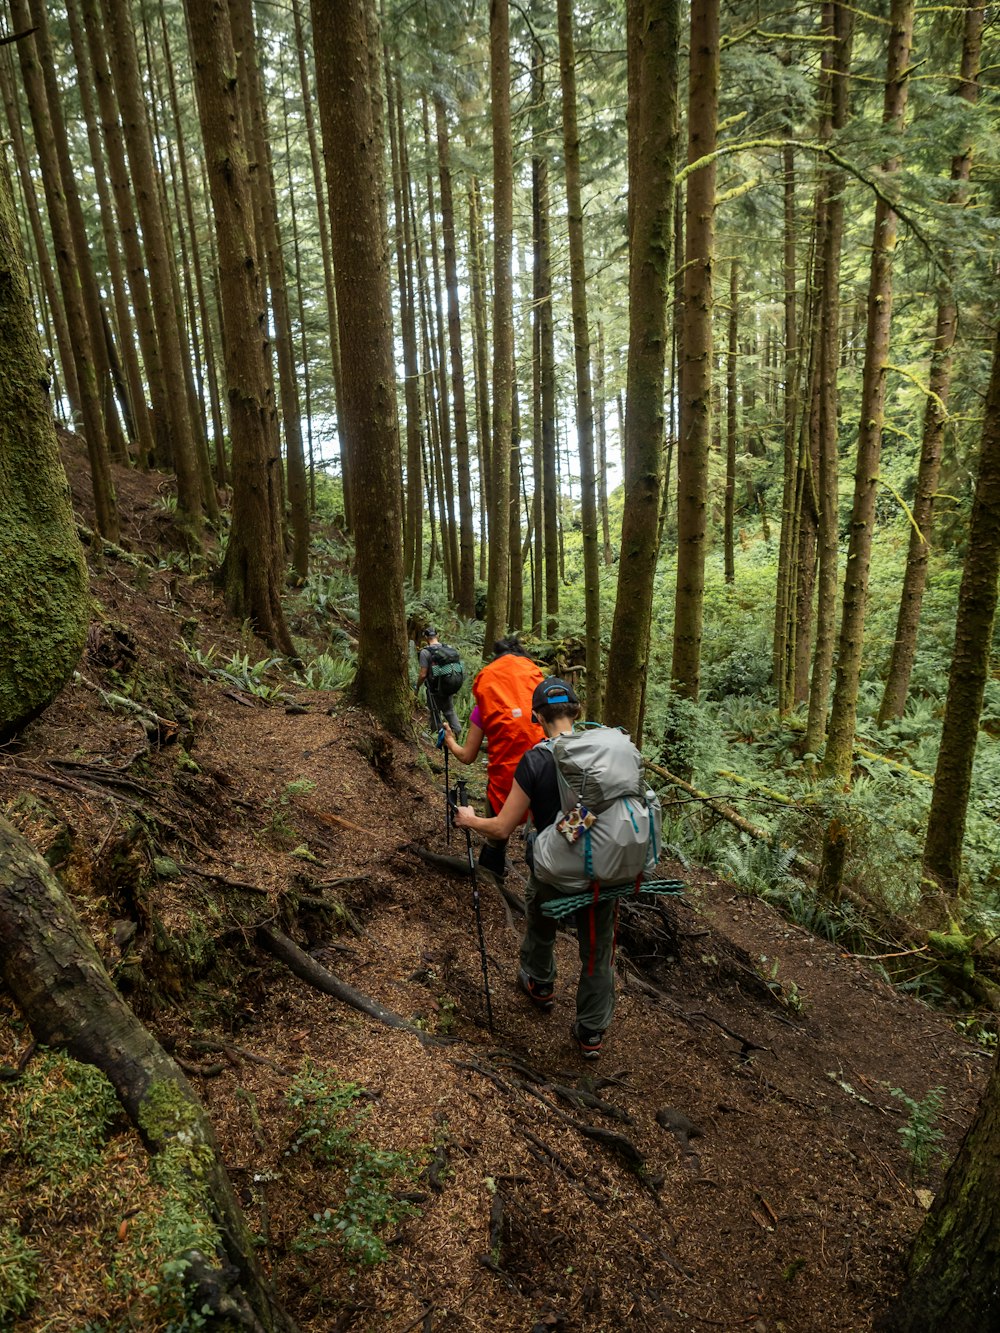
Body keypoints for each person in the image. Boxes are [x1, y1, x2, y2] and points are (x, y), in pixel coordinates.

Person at [453, 677, 615, 1060]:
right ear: (577, 712)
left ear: (537, 716)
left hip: (554, 873)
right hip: (603, 871)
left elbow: (503, 827)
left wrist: (471, 819)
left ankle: (540, 985)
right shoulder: (606, 752)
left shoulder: (536, 759)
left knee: (540, 922)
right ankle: (591, 1032)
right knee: (598, 951)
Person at [442, 637, 544, 889]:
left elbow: (467, 757)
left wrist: (450, 741)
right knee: (548, 835)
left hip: (506, 783)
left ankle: (492, 884)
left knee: (497, 837)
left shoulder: (487, 701)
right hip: (545, 777)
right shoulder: (541, 693)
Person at [415, 627, 462, 737]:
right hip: (448, 685)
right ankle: (457, 732)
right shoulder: (447, 648)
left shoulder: (425, 652)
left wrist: (417, 687)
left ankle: (437, 735)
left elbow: (423, 674)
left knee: (435, 711)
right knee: (449, 711)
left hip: (434, 689)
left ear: (426, 637)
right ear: (437, 636)